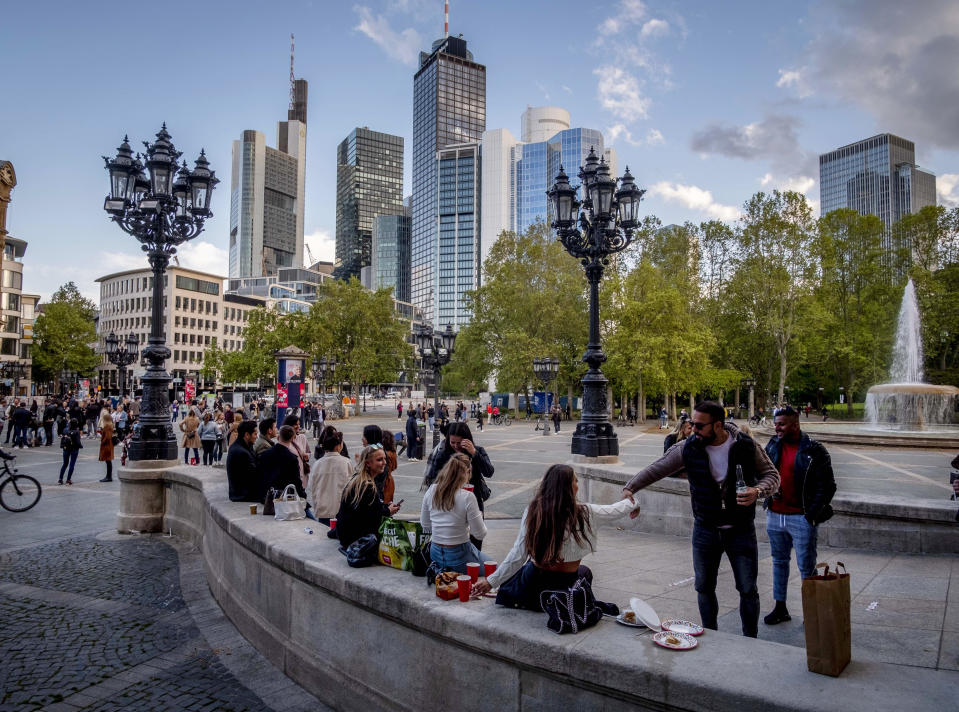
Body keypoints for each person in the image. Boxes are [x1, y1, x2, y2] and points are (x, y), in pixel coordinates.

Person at [621, 401, 780, 638]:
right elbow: (657, 468)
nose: (693, 429)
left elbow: (772, 476)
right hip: (705, 528)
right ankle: (711, 636)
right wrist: (630, 489)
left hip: (741, 530)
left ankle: (751, 639)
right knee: (704, 587)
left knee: (748, 589)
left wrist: (757, 491)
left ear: (717, 425)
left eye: (699, 425)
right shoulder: (688, 448)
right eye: (692, 424)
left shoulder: (746, 446)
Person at [473, 464, 639, 607]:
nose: (577, 485)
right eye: (575, 481)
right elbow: (618, 509)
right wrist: (634, 503)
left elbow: (518, 554)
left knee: (514, 579)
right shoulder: (587, 513)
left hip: (533, 585)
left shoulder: (533, 511)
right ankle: (566, 602)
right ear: (568, 487)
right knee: (585, 573)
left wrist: (491, 582)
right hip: (564, 584)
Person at [762, 406, 836, 625]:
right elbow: (763, 472)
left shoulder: (814, 450)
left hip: (801, 517)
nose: (777, 428)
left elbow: (828, 486)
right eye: (776, 424)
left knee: (806, 566)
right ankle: (780, 607)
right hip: (775, 514)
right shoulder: (773, 444)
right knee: (779, 562)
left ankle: (810, 613)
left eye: (781, 424)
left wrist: (810, 514)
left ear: (795, 424)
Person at [422, 422, 494, 550]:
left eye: (459, 443)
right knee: (453, 543)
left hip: (474, 499)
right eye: (452, 442)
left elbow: (489, 472)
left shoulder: (478, 450)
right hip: (450, 503)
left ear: (467, 440)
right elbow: (434, 479)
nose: (456, 446)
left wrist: (474, 453)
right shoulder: (443, 454)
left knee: (476, 540)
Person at [421, 453, 490, 573]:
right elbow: (480, 534)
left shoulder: (431, 490)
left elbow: (425, 525)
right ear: (467, 471)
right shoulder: (468, 497)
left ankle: (440, 569)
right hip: (460, 554)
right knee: (495, 569)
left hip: (435, 552)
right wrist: (478, 515)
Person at [334, 445, 401, 548]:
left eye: (384, 459)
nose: (384, 462)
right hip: (356, 540)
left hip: (346, 536)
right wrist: (388, 511)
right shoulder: (367, 486)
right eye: (379, 460)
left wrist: (386, 507)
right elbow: (372, 517)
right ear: (368, 463)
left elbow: (366, 509)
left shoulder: (357, 479)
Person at [308, 428, 353, 525]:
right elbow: (351, 487)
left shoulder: (317, 464)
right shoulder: (346, 462)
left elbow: (311, 486)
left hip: (323, 510)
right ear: (338, 446)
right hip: (341, 509)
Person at [258, 425, 308, 503]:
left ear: (279, 437)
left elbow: (261, 475)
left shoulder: (265, 454)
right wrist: (303, 496)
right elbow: (296, 481)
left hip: (267, 495)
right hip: (283, 497)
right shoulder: (292, 458)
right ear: (292, 438)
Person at [226, 420, 262, 502]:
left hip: (241, 493)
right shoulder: (241, 452)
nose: (256, 437)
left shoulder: (242, 446)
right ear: (246, 435)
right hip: (243, 495)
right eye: (255, 434)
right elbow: (254, 475)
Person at [58, 418, 83, 485]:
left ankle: (60, 479)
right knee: (72, 464)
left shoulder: (65, 430)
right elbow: (78, 442)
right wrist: (81, 446)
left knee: (65, 464)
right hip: (74, 449)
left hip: (66, 449)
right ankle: (68, 479)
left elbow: (63, 438)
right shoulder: (76, 431)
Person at [98, 408, 115, 482]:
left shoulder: (107, 426)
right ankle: (108, 476)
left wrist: (102, 442)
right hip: (109, 445)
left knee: (108, 461)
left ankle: (109, 477)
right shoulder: (110, 425)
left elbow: (107, 437)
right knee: (108, 461)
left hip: (107, 445)